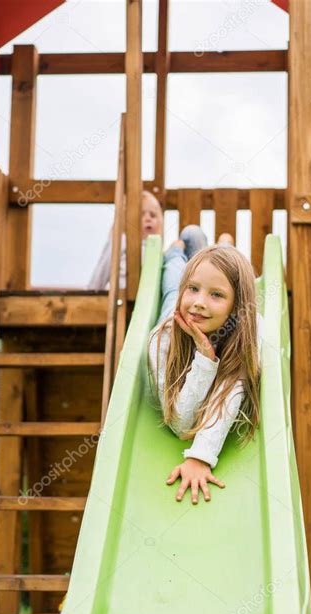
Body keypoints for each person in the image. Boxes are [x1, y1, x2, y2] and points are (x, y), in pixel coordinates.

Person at [147, 235, 263, 506]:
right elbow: (180, 424)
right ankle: (179, 249)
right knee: (170, 290)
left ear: (236, 308)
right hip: (174, 318)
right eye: (194, 289)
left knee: (212, 268)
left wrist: (200, 456)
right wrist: (205, 358)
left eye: (216, 295)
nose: (199, 302)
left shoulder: (248, 337)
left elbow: (230, 392)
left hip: (224, 327)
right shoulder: (161, 341)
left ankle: (224, 246)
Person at [87, 190, 164, 289]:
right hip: (122, 296)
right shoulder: (122, 241)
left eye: (153, 215)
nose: (148, 218)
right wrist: (92, 293)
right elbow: (102, 272)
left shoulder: (159, 251)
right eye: (141, 215)